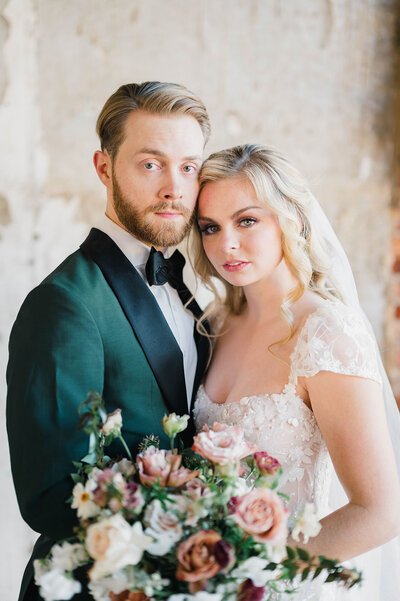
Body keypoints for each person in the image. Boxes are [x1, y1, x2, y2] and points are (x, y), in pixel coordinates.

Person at [6, 81, 211, 601]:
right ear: (103, 168)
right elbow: (50, 493)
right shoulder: (63, 302)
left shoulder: (192, 288)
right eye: (151, 164)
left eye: (188, 167)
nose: (174, 188)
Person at [192, 144, 400, 600]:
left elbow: (379, 512)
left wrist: (251, 576)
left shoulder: (326, 333)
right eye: (210, 227)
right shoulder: (214, 324)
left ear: (295, 221)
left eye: (247, 220)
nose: (225, 244)